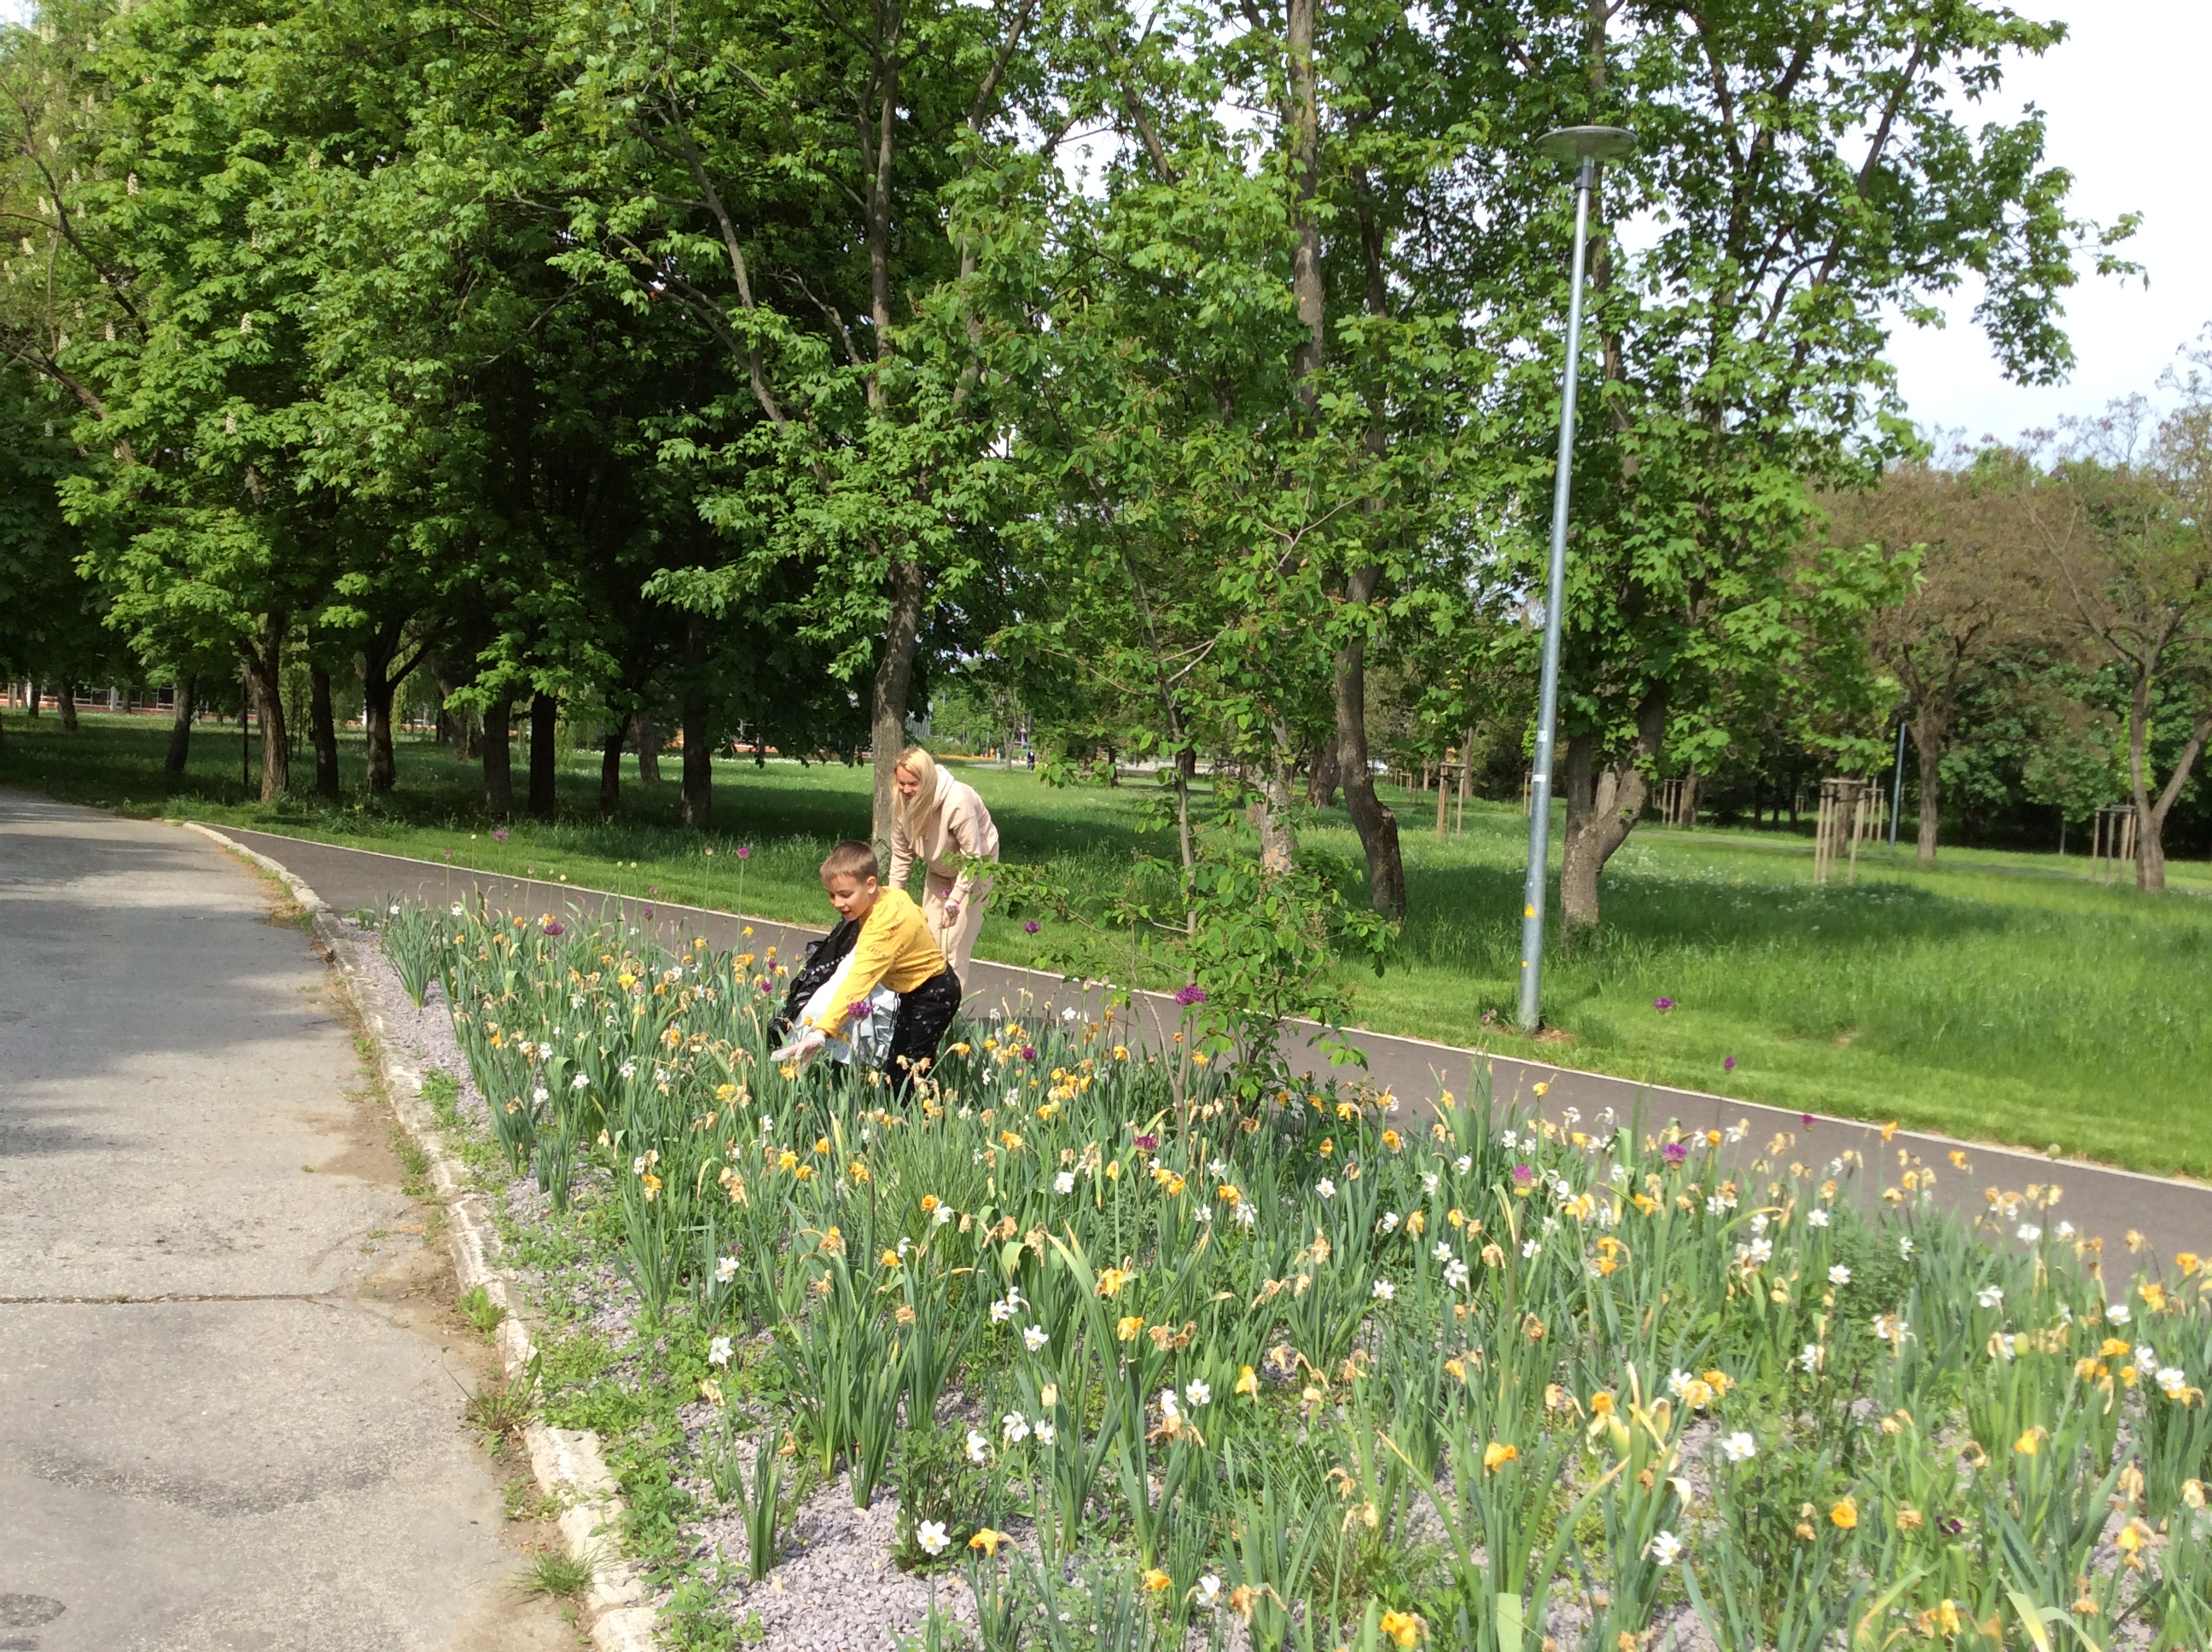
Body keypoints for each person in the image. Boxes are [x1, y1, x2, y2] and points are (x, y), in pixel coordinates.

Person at [783, 840, 960, 1094]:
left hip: (931, 994)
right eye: (831, 895)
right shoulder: (892, 895)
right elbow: (919, 915)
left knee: (903, 1074)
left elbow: (858, 983)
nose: (837, 903)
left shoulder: (881, 930)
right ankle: (924, 1109)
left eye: (845, 895)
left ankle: (913, 1116)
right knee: (910, 1064)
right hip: (930, 985)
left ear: (870, 884)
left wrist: (821, 1031)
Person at [888, 746, 999, 981]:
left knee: (953, 948)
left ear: (927, 781)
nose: (906, 790)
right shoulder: (901, 802)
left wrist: (955, 900)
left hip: (976, 868)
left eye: (913, 784)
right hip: (939, 868)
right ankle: (928, 1000)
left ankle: (951, 1001)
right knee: (927, 940)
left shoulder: (957, 801)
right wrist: (891, 900)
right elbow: (901, 856)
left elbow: (972, 857)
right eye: (902, 783)